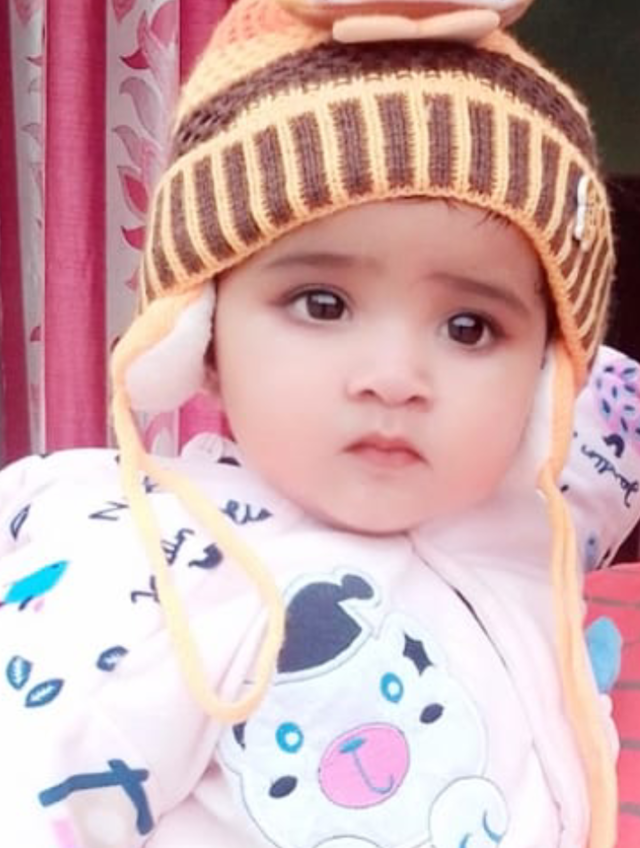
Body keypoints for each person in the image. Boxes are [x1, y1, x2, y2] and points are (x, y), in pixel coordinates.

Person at [0, 0, 639, 845]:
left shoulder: (528, 522)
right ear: (202, 335)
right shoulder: (151, 577)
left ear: (546, 379)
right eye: (322, 303)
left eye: (469, 327)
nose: (395, 379)